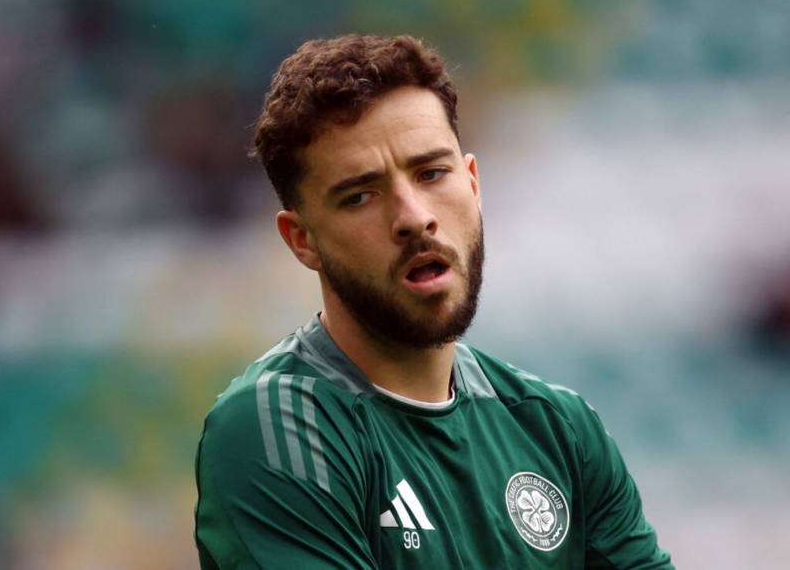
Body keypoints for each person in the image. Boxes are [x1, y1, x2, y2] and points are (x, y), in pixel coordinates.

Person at [194, 34, 673, 569]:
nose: (414, 217)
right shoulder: (277, 423)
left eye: (431, 173)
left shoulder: (557, 427)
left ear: (473, 183)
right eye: (360, 195)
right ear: (303, 240)